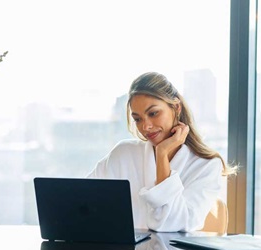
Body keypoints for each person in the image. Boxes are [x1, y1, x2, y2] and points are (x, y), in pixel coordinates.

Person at [88, 72, 236, 232]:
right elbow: (82, 203)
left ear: (176, 108)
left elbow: (170, 225)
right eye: (138, 119)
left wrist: (162, 154)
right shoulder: (123, 153)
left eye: (153, 113)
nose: (146, 126)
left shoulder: (206, 166)